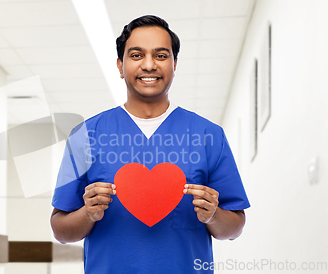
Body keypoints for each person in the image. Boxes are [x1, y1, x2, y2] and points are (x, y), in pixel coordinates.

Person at [50, 15, 250, 273]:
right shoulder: (85, 136)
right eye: (136, 55)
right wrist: (87, 213)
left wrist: (213, 215)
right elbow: (61, 229)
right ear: (120, 66)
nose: (148, 65)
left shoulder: (208, 135)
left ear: (174, 64)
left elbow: (234, 228)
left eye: (161, 55)